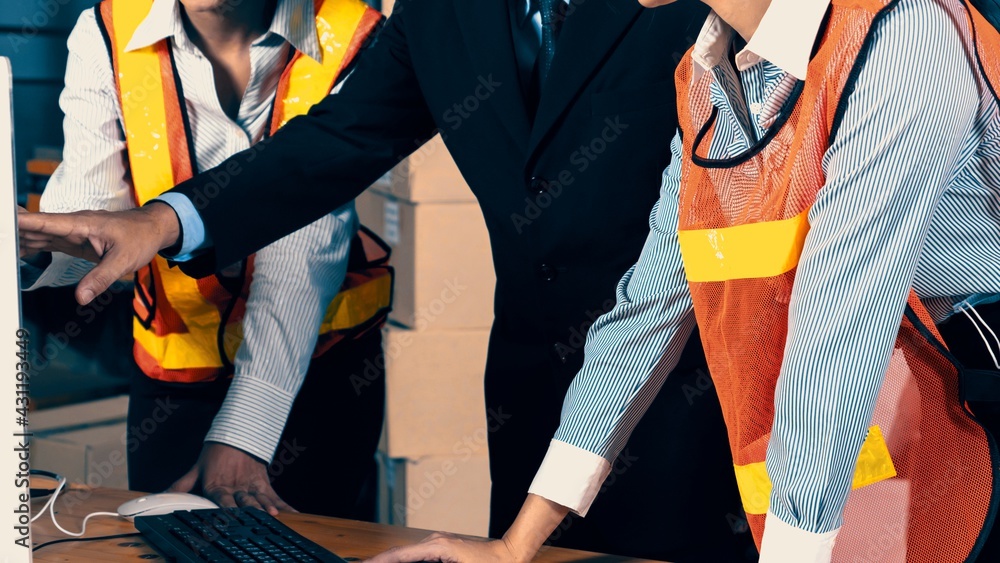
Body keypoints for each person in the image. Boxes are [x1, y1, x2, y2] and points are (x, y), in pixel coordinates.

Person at [17, 0, 757, 560]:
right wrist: (164, 222)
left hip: (697, 399)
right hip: (536, 403)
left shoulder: (706, 9)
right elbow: (334, 142)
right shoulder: (441, 12)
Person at [362, 0, 1000, 560]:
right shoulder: (708, 74)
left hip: (975, 419)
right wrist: (516, 545)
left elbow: (836, 327)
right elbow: (648, 310)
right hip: (914, 449)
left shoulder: (906, 33)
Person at [19, 0, 391, 520]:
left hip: (318, 372)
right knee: (168, 545)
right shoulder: (106, 31)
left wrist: (245, 431)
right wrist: (40, 244)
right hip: (177, 368)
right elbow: (97, 209)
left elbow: (304, 232)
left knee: (308, 551)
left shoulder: (353, 35)